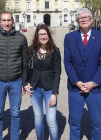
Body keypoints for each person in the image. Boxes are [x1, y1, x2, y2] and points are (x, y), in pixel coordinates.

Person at [0, 11, 28, 140]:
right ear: (0, 22)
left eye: (9, 20)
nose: (6, 23)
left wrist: (24, 83)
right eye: (4, 20)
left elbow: (25, 62)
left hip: (16, 81)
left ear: (13, 21)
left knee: (15, 113)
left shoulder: (21, 38)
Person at [64, 8, 101, 140]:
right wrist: (77, 82)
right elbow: (67, 62)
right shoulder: (69, 37)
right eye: (81, 18)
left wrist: (93, 83)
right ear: (77, 21)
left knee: (97, 123)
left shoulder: (100, 37)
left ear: (91, 19)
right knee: (74, 123)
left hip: (95, 88)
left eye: (86, 17)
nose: (83, 19)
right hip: (75, 88)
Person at [23, 24, 61, 140]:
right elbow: (25, 67)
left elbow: (57, 73)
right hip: (35, 89)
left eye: (45, 34)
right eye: (41, 34)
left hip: (50, 89)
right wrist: (25, 84)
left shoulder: (55, 51)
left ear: (49, 35)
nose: (43, 36)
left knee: (51, 120)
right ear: (37, 36)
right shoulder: (31, 50)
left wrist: (55, 93)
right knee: (38, 118)